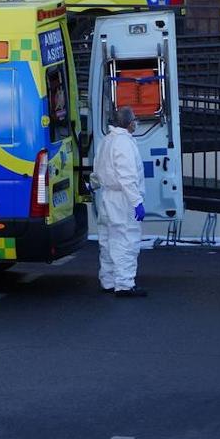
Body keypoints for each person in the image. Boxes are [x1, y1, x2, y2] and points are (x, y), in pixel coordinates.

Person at [94, 106, 147, 297]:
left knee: (107, 241)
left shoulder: (107, 140)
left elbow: (97, 171)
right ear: (129, 122)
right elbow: (127, 177)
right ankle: (124, 284)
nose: (136, 122)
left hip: (107, 196)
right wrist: (137, 202)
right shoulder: (123, 143)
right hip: (122, 199)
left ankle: (108, 280)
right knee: (126, 240)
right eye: (134, 119)